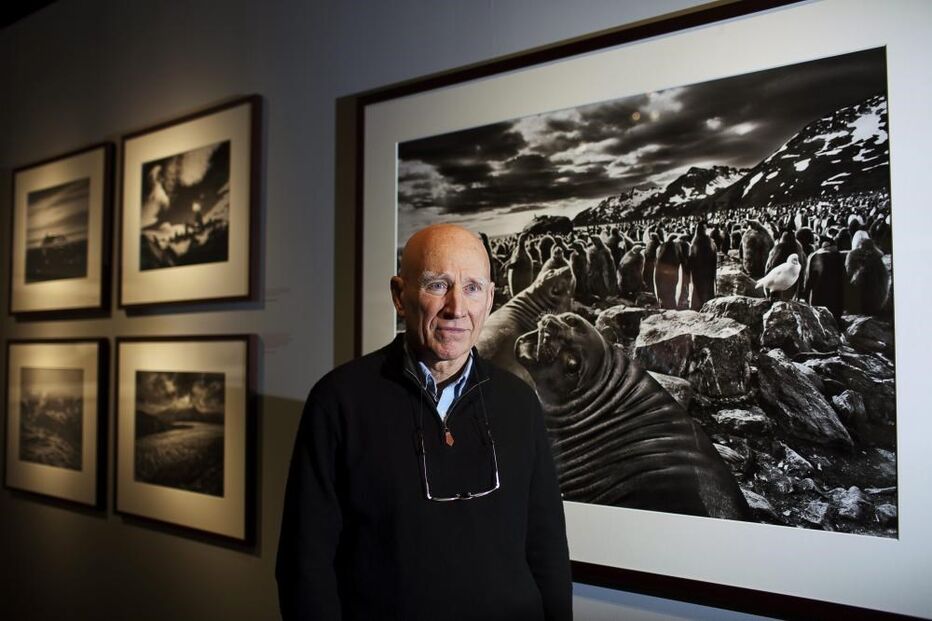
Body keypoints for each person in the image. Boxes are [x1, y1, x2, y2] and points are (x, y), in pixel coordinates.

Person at [276, 224, 573, 620]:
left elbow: (547, 548)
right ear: (400, 296)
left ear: (490, 299)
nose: (456, 308)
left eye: (472, 288)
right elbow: (304, 566)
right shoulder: (338, 401)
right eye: (437, 285)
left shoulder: (519, 401)